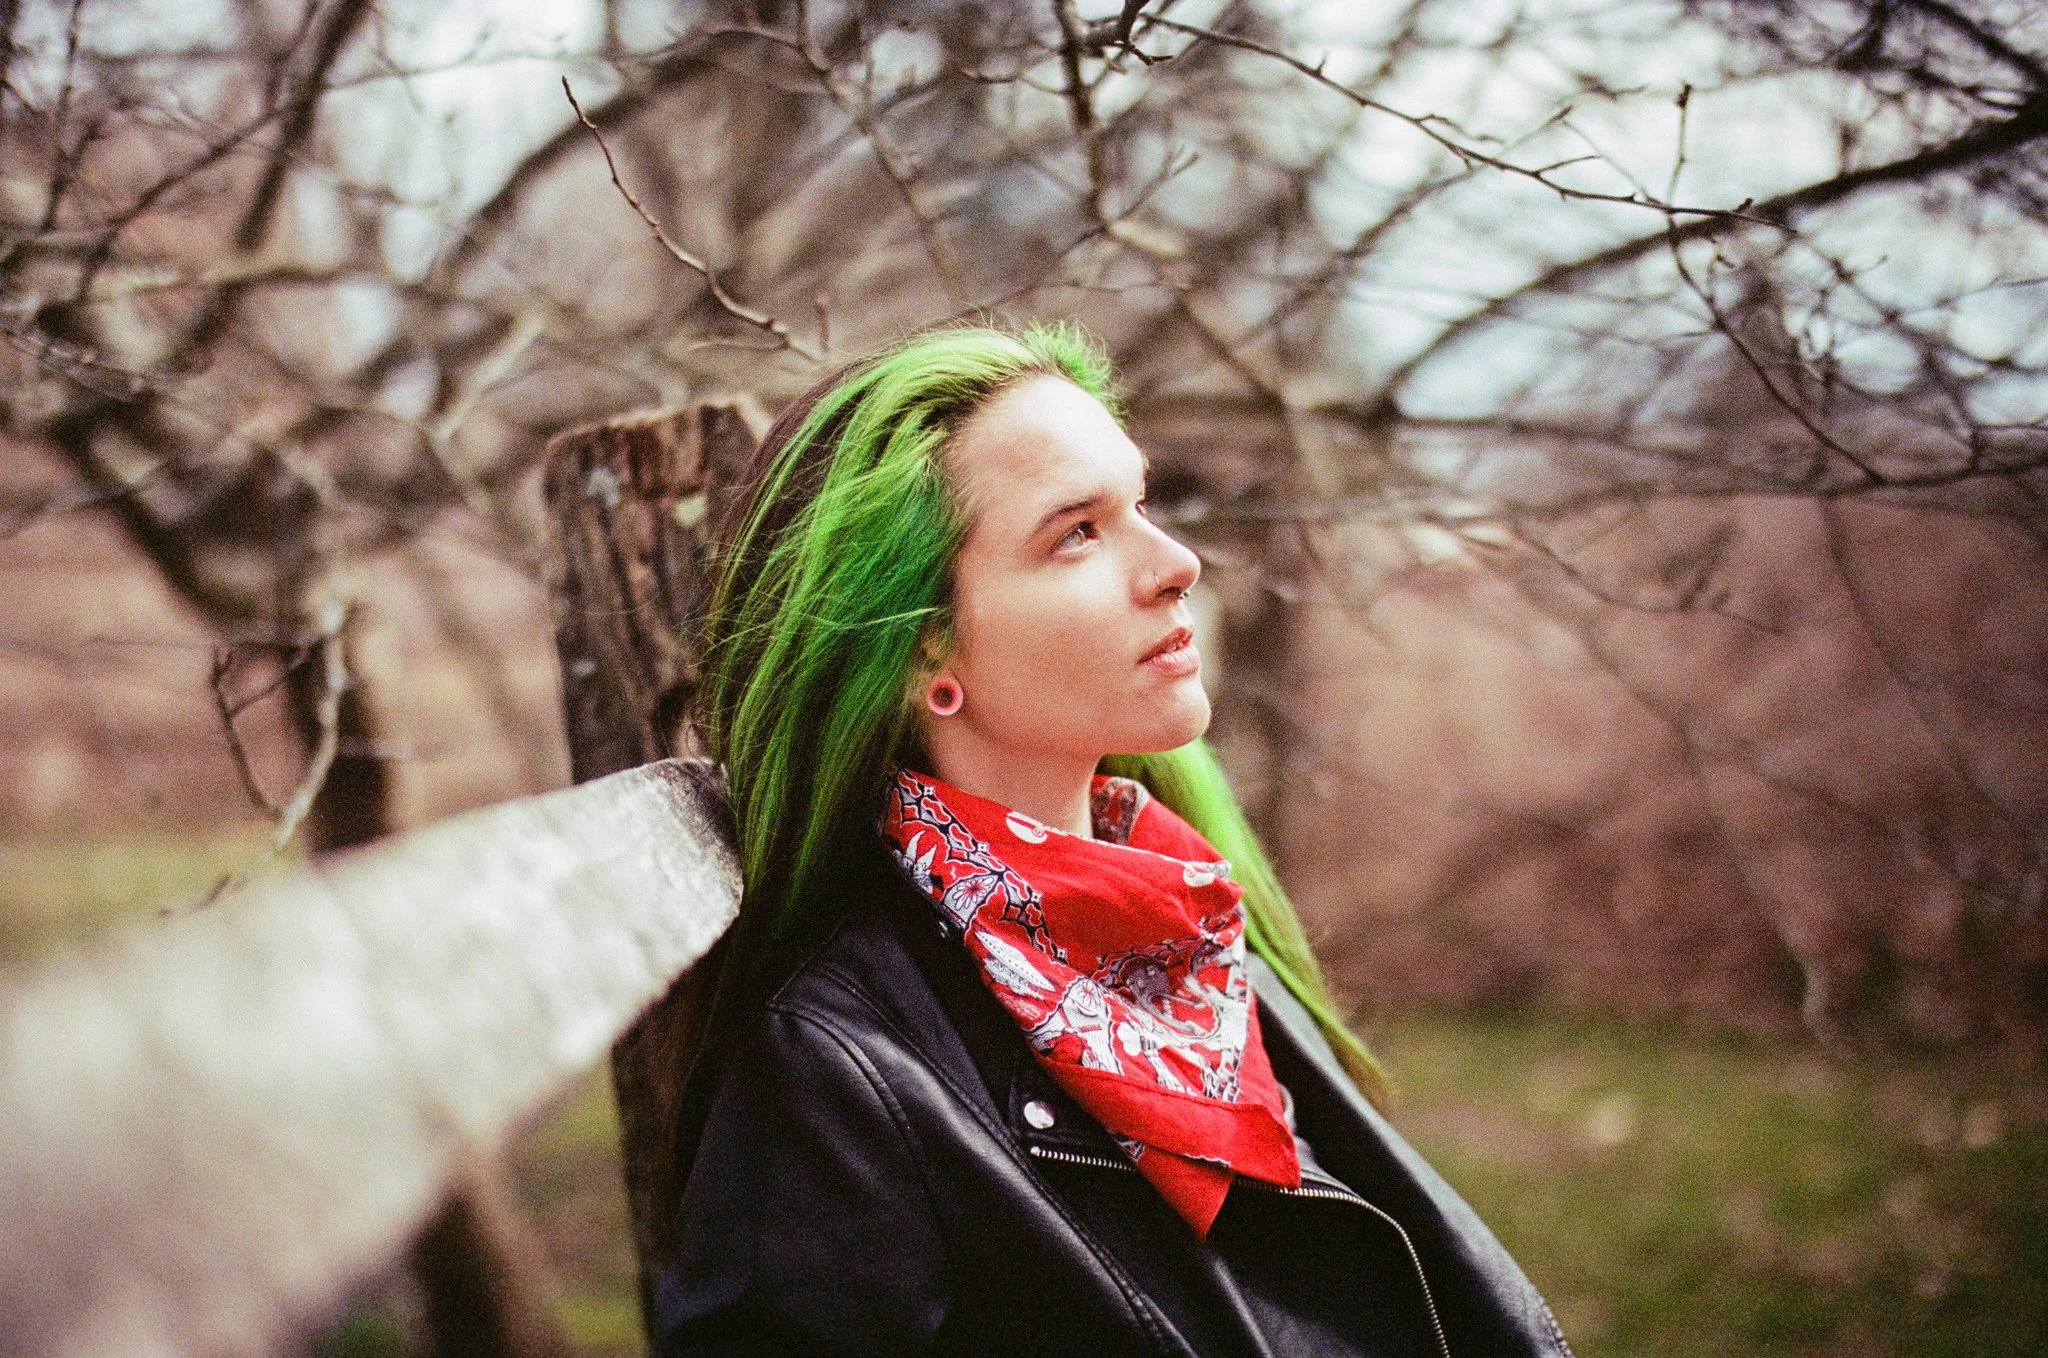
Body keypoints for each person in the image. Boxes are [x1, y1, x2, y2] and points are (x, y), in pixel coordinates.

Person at [651, 324, 1573, 1357]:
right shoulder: (830, 1085)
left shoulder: (1177, 928)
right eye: (1076, 533)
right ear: (922, 647)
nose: (1174, 562)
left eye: (1139, 506)